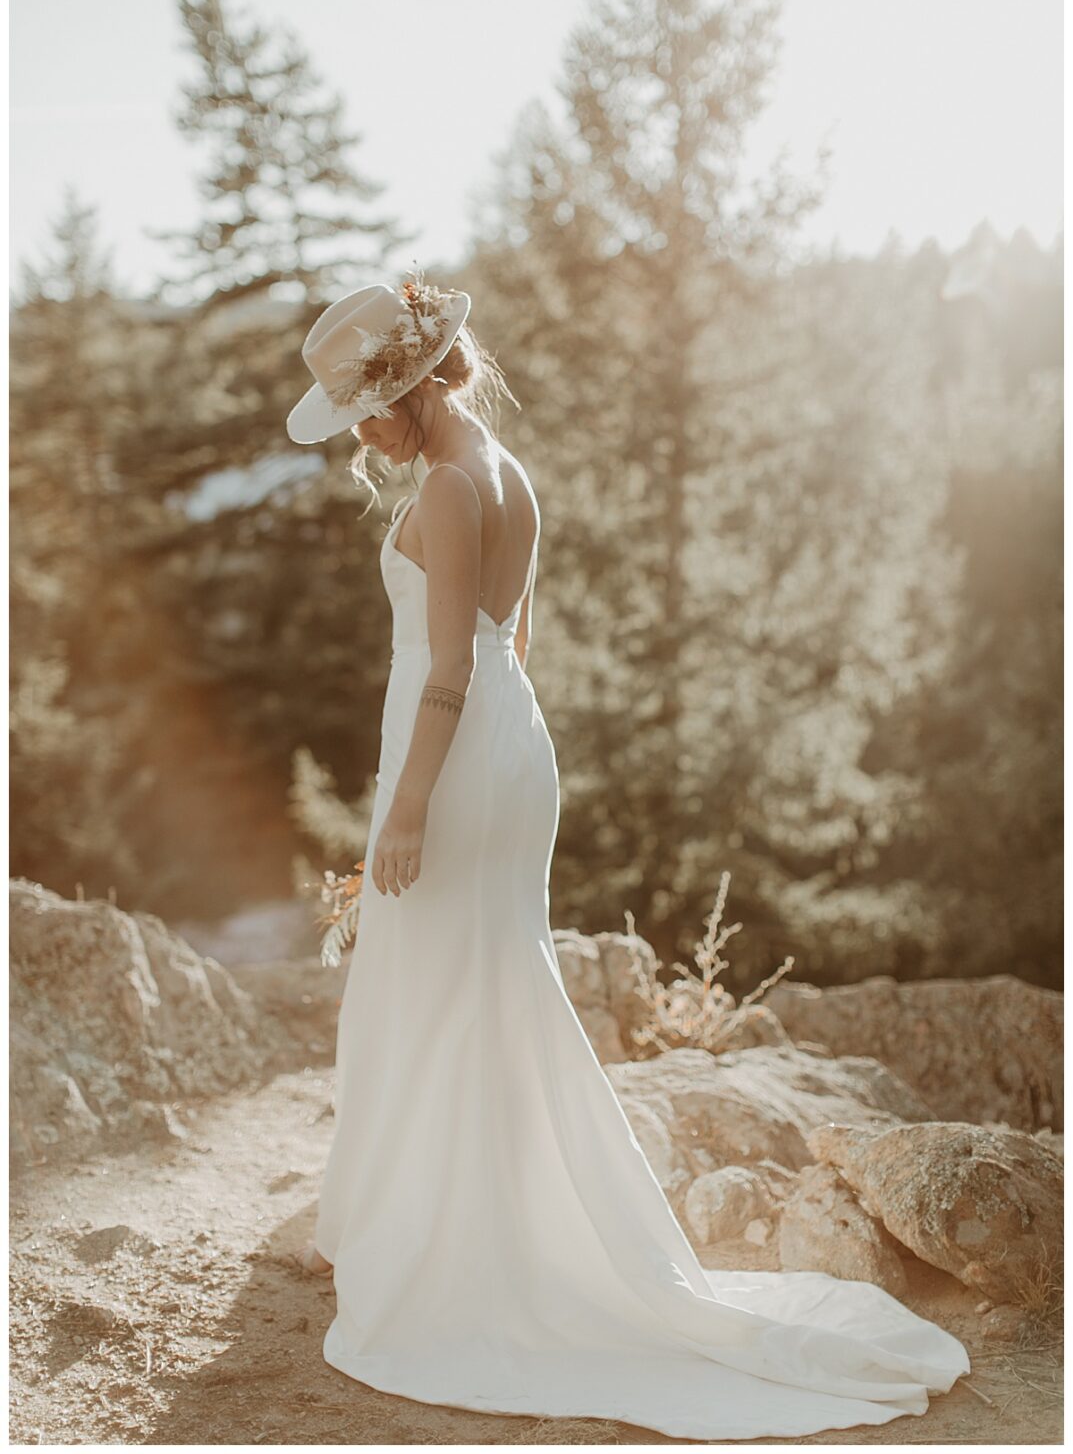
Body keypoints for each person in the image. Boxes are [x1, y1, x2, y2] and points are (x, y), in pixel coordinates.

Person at [283, 275, 971, 1441]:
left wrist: (403, 809)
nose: (355, 432)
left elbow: (444, 668)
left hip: (453, 754)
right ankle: (449, 1209)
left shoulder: (449, 490)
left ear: (400, 392)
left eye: (359, 407)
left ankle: (448, 1237)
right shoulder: (500, 464)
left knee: (441, 980)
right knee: (476, 980)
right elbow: (510, 642)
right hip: (505, 744)